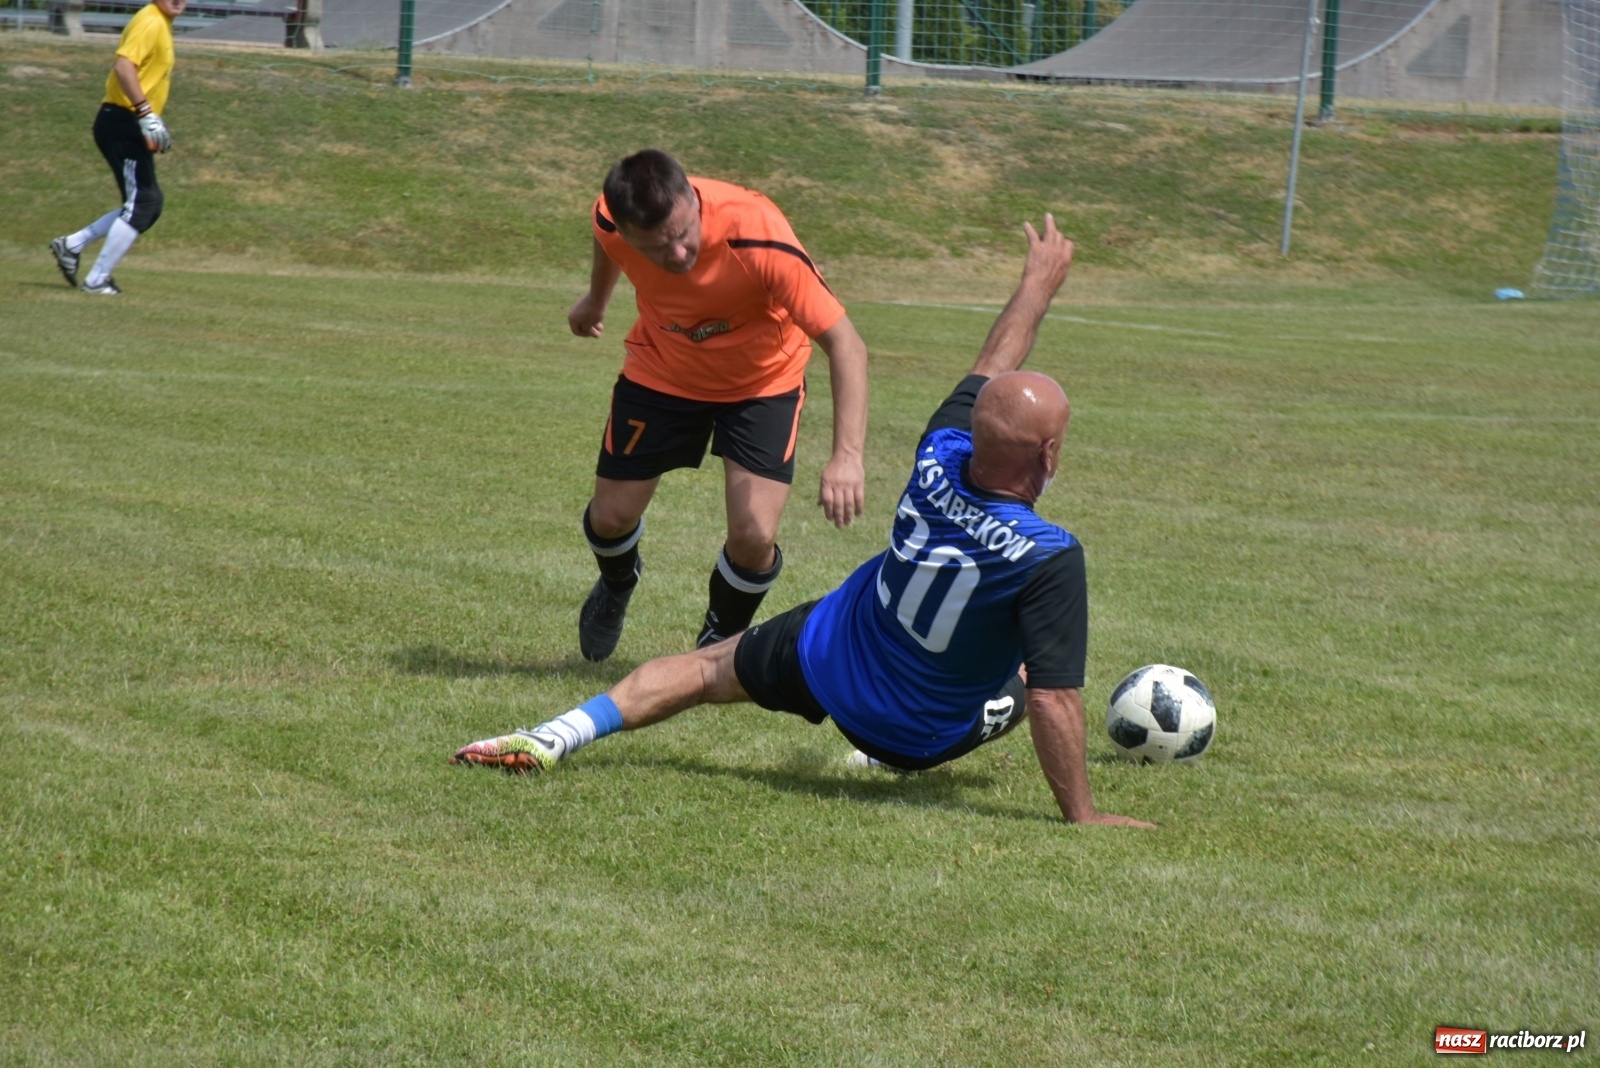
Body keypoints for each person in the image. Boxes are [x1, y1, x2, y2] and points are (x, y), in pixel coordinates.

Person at [455, 214, 1154, 829]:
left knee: (705, 671)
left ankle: (553, 735)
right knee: (1031, 676)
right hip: (910, 737)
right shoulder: (1049, 554)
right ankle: (891, 748)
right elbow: (1058, 699)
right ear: (1051, 454)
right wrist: (1083, 816)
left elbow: (990, 366)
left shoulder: (941, 451)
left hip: (832, 650)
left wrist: (1036, 285)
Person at [567, 150, 870, 662]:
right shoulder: (610, 218)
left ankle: (717, 645)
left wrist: (847, 456)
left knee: (753, 535)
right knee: (610, 517)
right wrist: (596, 300)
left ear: (693, 199)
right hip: (663, 370)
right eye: (660, 248)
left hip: (762, 381)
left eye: (685, 234)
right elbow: (606, 241)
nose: (680, 253)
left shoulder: (758, 233)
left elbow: (846, 344)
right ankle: (617, 584)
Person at [49, 0, 186, 297]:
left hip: (128, 121)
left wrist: (150, 119)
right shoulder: (150, 20)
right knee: (144, 204)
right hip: (122, 120)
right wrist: (145, 113)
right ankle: (97, 280)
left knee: (146, 205)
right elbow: (124, 66)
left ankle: (72, 245)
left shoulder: (161, 22)